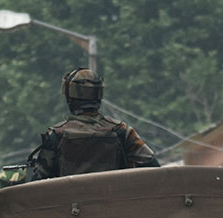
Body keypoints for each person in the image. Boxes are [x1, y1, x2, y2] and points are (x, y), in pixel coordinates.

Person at [27, 68, 159, 181]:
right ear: (99, 97)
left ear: (70, 98)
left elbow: (38, 182)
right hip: (116, 207)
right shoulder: (121, 131)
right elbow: (153, 167)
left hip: (70, 209)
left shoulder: (57, 135)